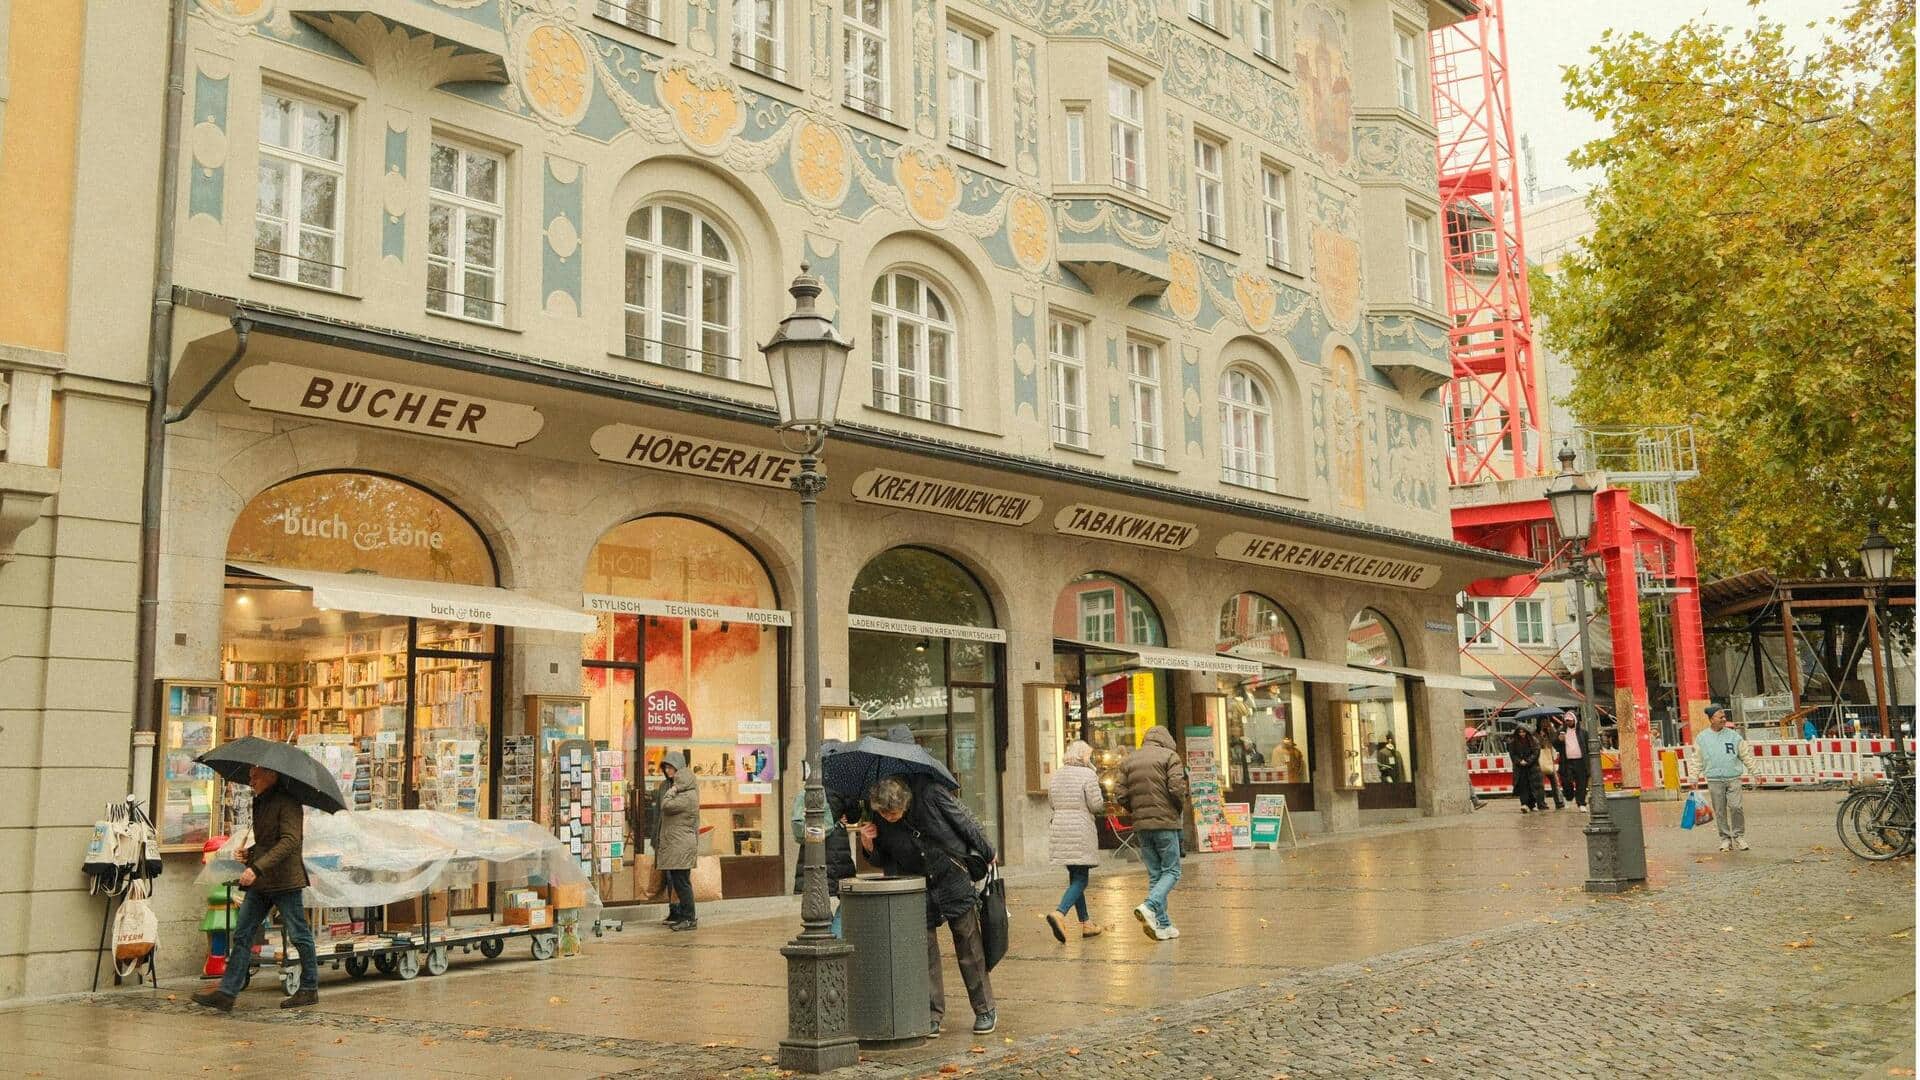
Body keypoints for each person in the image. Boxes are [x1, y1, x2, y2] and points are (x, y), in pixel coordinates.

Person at [858, 774, 997, 1037]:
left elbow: (963, 822)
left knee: (969, 945)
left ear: (905, 802)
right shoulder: (880, 817)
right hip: (916, 885)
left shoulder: (931, 793)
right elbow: (883, 858)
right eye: (884, 815)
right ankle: (932, 1014)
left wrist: (988, 851)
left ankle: (985, 1009)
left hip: (951, 876)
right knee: (925, 953)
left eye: (893, 813)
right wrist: (868, 845)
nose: (889, 818)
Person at [191, 765, 317, 1011]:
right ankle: (227, 993)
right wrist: (249, 853)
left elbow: (290, 841)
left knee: (298, 933)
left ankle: (309, 987)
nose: (251, 781)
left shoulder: (288, 803)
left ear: (272, 775)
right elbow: (268, 840)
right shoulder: (260, 801)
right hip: (263, 880)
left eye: (255, 776)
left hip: (284, 880)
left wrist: (256, 867)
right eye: (250, 777)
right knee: (243, 933)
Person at [1116, 725, 1188, 941]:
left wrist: (1136, 811)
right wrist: (1177, 808)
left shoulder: (1129, 760)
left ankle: (1163, 924)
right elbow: (1177, 789)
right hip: (1166, 823)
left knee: (1156, 874)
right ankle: (1149, 906)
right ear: (1167, 740)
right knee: (1172, 871)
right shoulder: (1170, 757)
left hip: (1142, 826)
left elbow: (1120, 794)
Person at [1044, 740, 1107, 943]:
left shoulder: (1057, 774)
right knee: (1082, 879)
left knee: (1075, 876)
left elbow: (1051, 802)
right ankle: (1060, 913)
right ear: (1084, 756)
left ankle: (1086, 923)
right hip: (1080, 829)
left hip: (1060, 828)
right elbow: (1096, 805)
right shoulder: (1088, 775)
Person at [790, 785, 858, 938]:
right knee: (848, 899)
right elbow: (855, 815)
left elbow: (799, 830)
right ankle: (834, 939)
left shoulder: (805, 793)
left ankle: (831, 938)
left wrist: (819, 829)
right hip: (837, 854)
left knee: (818, 901)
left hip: (811, 855)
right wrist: (833, 825)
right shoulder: (843, 787)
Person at [1689, 703, 1756, 852]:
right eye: (1721, 717)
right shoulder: (1702, 738)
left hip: (1733, 778)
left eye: (1724, 716)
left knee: (1736, 807)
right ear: (1712, 719)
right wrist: (1693, 778)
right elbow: (1697, 759)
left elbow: (1745, 755)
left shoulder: (1734, 736)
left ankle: (1738, 836)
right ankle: (1725, 838)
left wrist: (1756, 772)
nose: (1724, 719)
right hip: (1714, 780)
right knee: (1719, 810)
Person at [652, 751, 701, 930]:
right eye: (665, 766)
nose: (667, 770)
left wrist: (673, 790)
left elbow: (667, 806)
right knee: (674, 879)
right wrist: (655, 839)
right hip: (670, 842)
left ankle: (688, 917)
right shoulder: (667, 787)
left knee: (681, 881)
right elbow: (659, 814)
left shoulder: (686, 794)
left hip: (680, 843)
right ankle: (679, 914)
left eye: (671, 767)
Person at [1558, 710, 1591, 809]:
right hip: (1567, 761)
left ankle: (1581, 803)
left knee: (1581, 782)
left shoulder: (1583, 733)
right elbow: (1556, 745)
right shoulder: (1562, 731)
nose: (1568, 722)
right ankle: (1569, 797)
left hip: (1581, 761)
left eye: (1570, 720)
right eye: (1567, 720)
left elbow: (1588, 746)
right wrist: (1559, 740)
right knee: (1566, 781)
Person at [1508, 725, 1542, 812]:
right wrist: (1519, 761)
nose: (1522, 734)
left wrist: (1528, 761)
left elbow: (1536, 752)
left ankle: (1532, 804)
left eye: (1523, 732)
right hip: (1520, 768)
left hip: (1531, 767)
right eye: (1520, 732)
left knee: (1532, 786)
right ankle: (1524, 804)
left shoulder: (1533, 740)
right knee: (1523, 786)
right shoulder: (1513, 742)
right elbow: (1512, 754)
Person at [1535, 719, 1564, 809]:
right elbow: (1536, 745)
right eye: (1543, 722)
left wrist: (1550, 730)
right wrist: (1541, 737)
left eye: (1546, 722)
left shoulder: (1551, 731)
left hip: (1549, 759)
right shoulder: (1535, 733)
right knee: (1540, 783)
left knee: (1555, 782)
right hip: (1539, 760)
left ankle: (1559, 802)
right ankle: (1541, 803)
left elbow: (1555, 741)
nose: (1545, 724)